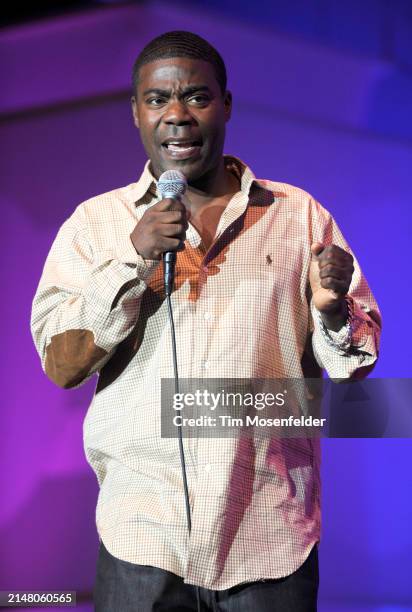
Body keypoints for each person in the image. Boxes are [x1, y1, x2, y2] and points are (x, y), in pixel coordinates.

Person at [30, 30, 382, 612]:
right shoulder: (95, 226)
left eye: (196, 97)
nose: (177, 116)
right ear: (136, 113)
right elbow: (62, 365)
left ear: (225, 105)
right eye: (156, 100)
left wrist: (331, 310)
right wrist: (130, 262)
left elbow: (353, 367)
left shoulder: (297, 216)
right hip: (142, 537)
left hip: (267, 536)